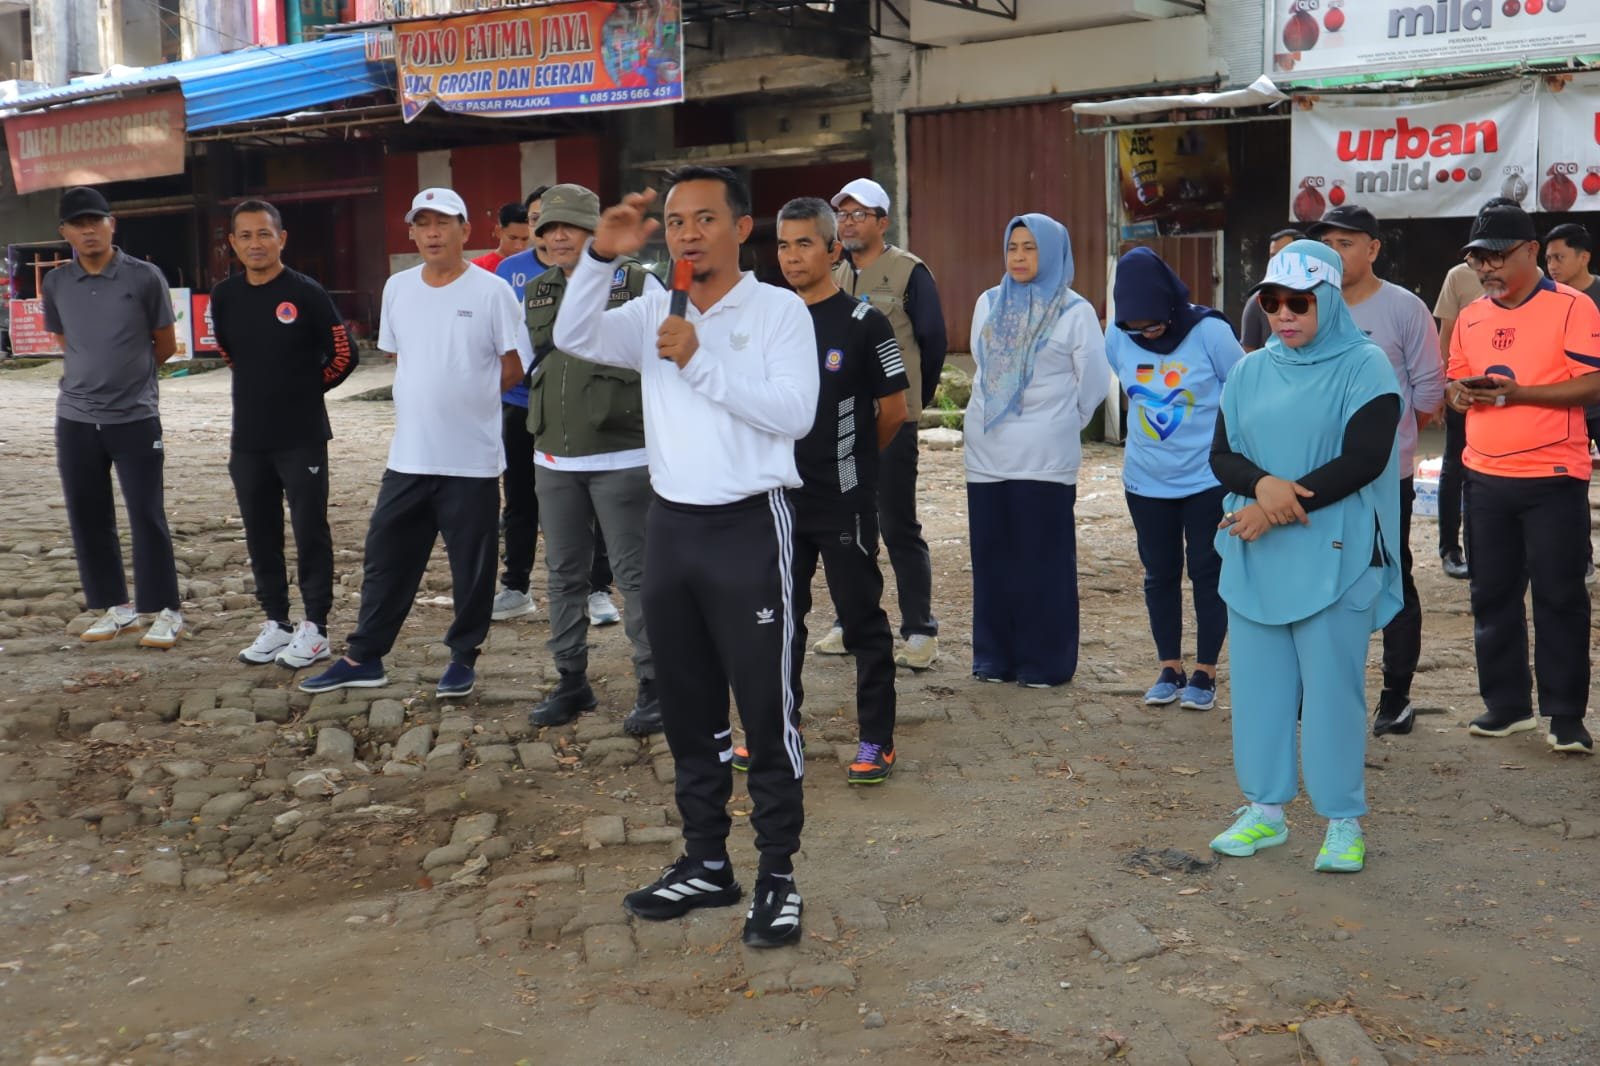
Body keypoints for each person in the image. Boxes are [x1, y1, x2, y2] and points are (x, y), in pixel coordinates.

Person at [553, 168, 819, 948]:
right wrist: (598, 259)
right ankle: (706, 861)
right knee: (688, 709)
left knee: (766, 711)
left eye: (705, 218)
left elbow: (795, 413)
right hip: (671, 528)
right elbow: (573, 336)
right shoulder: (651, 309)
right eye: (675, 222)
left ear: (742, 228)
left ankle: (778, 874)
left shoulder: (776, 311)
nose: (688, 234)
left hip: (750, 528)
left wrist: (700, 359)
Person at [1208, 239, 1402, 874]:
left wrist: (1270, 506)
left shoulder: (1365, 365)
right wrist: (1261, 485)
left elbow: (1364, 460)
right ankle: (1265, 810)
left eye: (1299, 302)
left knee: (1331, 695)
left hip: (1335, 553)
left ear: (1329, 300)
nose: (1284, 315)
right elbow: (1222, 455)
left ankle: (1342, 821)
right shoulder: (1248, 371)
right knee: (1259, 690)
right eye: (1271, 302)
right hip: (1257, 552)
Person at [300, 188, 532, 700]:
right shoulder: (398, 288)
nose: (432, 233)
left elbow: (514, 366)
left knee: (471, 568)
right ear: (411, 232)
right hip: (409, 456)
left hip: (470, 459)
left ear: (465, 230)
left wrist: (467, 399)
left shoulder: (492, 291)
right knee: (385, 557)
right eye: (422, 223)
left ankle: (462, 657)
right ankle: (364, 656)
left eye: (442, 222)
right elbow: (401, 357)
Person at [731, 196, 908, 784]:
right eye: (783, 244)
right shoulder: (765, 320)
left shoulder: (863, 323)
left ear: (834, 251)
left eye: (804, 243)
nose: (791, 256)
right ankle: (779, 727)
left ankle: (876, 739)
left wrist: (849, 464)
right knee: (779, 620)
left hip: (842, 500)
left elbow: (893, 412)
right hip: (778, 497)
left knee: (860, 620)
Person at [1445, 203, 1600, 755]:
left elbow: (1593, 382)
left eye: (1496, 257)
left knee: (1560, 596)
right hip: (1485, 475)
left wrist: (1521, 394)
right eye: (1477, 259)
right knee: (1491, 594)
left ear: (1530, 251)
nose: (1486, 269)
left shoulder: (1573, 306)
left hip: (1553, 475)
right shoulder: (1471, 317)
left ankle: (1566, 715)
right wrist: (1459, 395)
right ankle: (1507, 706)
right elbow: (1452, 382)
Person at [521, 184, 662, 735]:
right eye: (549, 228)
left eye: (571, 227)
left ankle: (654, 684)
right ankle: (571, 679)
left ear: (594, 231)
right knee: (563, 574)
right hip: (554, 457)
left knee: (635, 574)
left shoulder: (637, 282)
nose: (558, 236)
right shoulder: (537, 290)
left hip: (623, 454)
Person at [1309, 204, 1444, 738]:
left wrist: (1395, 440)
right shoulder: (1308, 304)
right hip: (1315, 475)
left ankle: (1396, 696)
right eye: (1327, 244)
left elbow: (1428, 389)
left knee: (1390, 576)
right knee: (1318, 577)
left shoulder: (1404, 308)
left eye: (1346, 243)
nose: (1335, 254)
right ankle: (1320, 689)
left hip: (1385, 477)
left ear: (1373, 248)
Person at [210, 200, 357, 669]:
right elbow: (230, 353)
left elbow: (344, 354)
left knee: (309, 530)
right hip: (248, 439)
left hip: (302, 436)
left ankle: (316, 628)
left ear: (282, 239)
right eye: (245, 235)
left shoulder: (306, 292)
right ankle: (276, 622)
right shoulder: (224, 296)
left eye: (264, 234)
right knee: (261, 532)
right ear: (233, 243)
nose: (255, 243)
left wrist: (304, 391)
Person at [964, 214, 1108, 688]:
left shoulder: (1074, 311)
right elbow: (982, 364)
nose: (1020, 257)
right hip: (986, 452)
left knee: (1042, 561)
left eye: (1031, 248)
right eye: (1013, 247)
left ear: (1051, 253)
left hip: (1045, 456)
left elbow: (1092, 381)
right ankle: (994, 657)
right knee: (992, 558)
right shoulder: (989, 302)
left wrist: (1062, 421)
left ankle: (1045, 661)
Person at [43, 186, 184, 649]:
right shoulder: (56, 283)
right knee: (88, 514)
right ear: (65, 232)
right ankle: (115, 607)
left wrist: (129, 379)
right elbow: (67, 341)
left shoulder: (144, 277)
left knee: (146, 513)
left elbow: (165, 343)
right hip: (76, 418)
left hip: (134, 416)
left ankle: (165, 610)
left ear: (112, 224)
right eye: (78, 224)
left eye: (96, 221)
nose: (88, 231)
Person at [1105, 247, 1243, 712]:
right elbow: (1129, 390)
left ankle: (1205, 671)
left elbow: (1242, 389)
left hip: (1207, 478)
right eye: (1137, 328)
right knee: (1159, 573)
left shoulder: (1210, 332)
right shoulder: (1117, 336)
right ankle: (1169, 667)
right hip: (1146, 481)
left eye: (1154, 324)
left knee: (1208, 571)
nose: (1146, 334)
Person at [822, 177, 946, 670]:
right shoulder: (833, 273)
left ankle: (919, 630)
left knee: (897, 524)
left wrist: (916, 399)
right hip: (843, 423)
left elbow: (933, 341)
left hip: (893, 421)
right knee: (849, 525)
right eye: (842, 215)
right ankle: (850, 621)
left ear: (882, 222)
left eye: (859, 214)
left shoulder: (909, 272)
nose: (848, 223)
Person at [492, 186, 622, 626]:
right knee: (520, 499)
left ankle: (598, 589)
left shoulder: (612, 274)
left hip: (589, 406)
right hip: (522, 404)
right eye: (541, 222)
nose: (553, 233)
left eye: (567, 225)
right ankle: (515, 586)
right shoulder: (512, 272)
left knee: (593, 502)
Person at [1543, 223, 1600, 570]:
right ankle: (1582, 559)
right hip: (1566, 407)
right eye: (1548, 258)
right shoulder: (1546, 301)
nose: (1551, 266)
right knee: (1571, 487)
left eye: (1559, 257)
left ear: (1584, 257)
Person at [1240, 229, 1303, 352]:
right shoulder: (1258, 301)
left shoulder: (1324, 295)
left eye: (1283, 256)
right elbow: (1248, 353)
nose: (1277, 262)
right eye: (1273, 256)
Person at [471, 202, 531, 274]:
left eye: (524, 239)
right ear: (498, 231)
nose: (519, 246)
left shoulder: (537, 266)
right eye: (512, 238)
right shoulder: (477, 267)